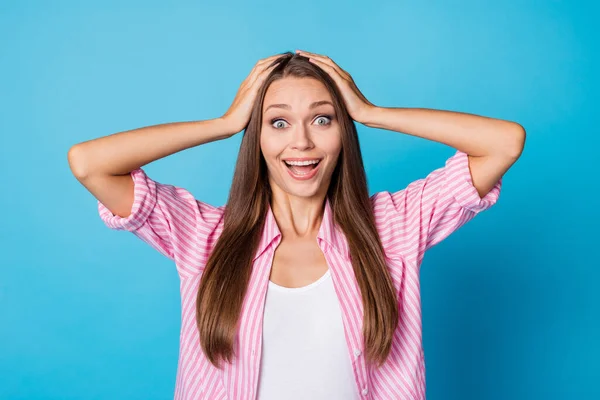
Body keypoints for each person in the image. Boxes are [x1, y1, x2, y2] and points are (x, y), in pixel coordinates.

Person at [67, 50, 525, 400]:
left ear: (343, 132)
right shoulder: (204, 236)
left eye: (323, 119)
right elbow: (89, 163)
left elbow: (504, 143)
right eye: (278, 122)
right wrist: (225, 123)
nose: (301, 142)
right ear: (258, 136)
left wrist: (369, 113)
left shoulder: (393, 226)